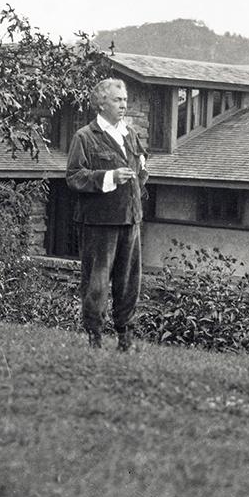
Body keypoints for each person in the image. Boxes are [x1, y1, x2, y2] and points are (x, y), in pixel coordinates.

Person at [65, 78, 148, 351]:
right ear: (101, 103)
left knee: (129, 284)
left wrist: (140, 173)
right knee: (97, 284)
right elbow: (74, 177)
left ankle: (125, 339)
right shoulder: (84, 137)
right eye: (117, 100)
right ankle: (95, 338)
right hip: (99, 222)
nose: (123, 105)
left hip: (131, 220)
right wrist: (110, 176)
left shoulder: (130, 134)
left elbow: (141, 170)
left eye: (125, 100)